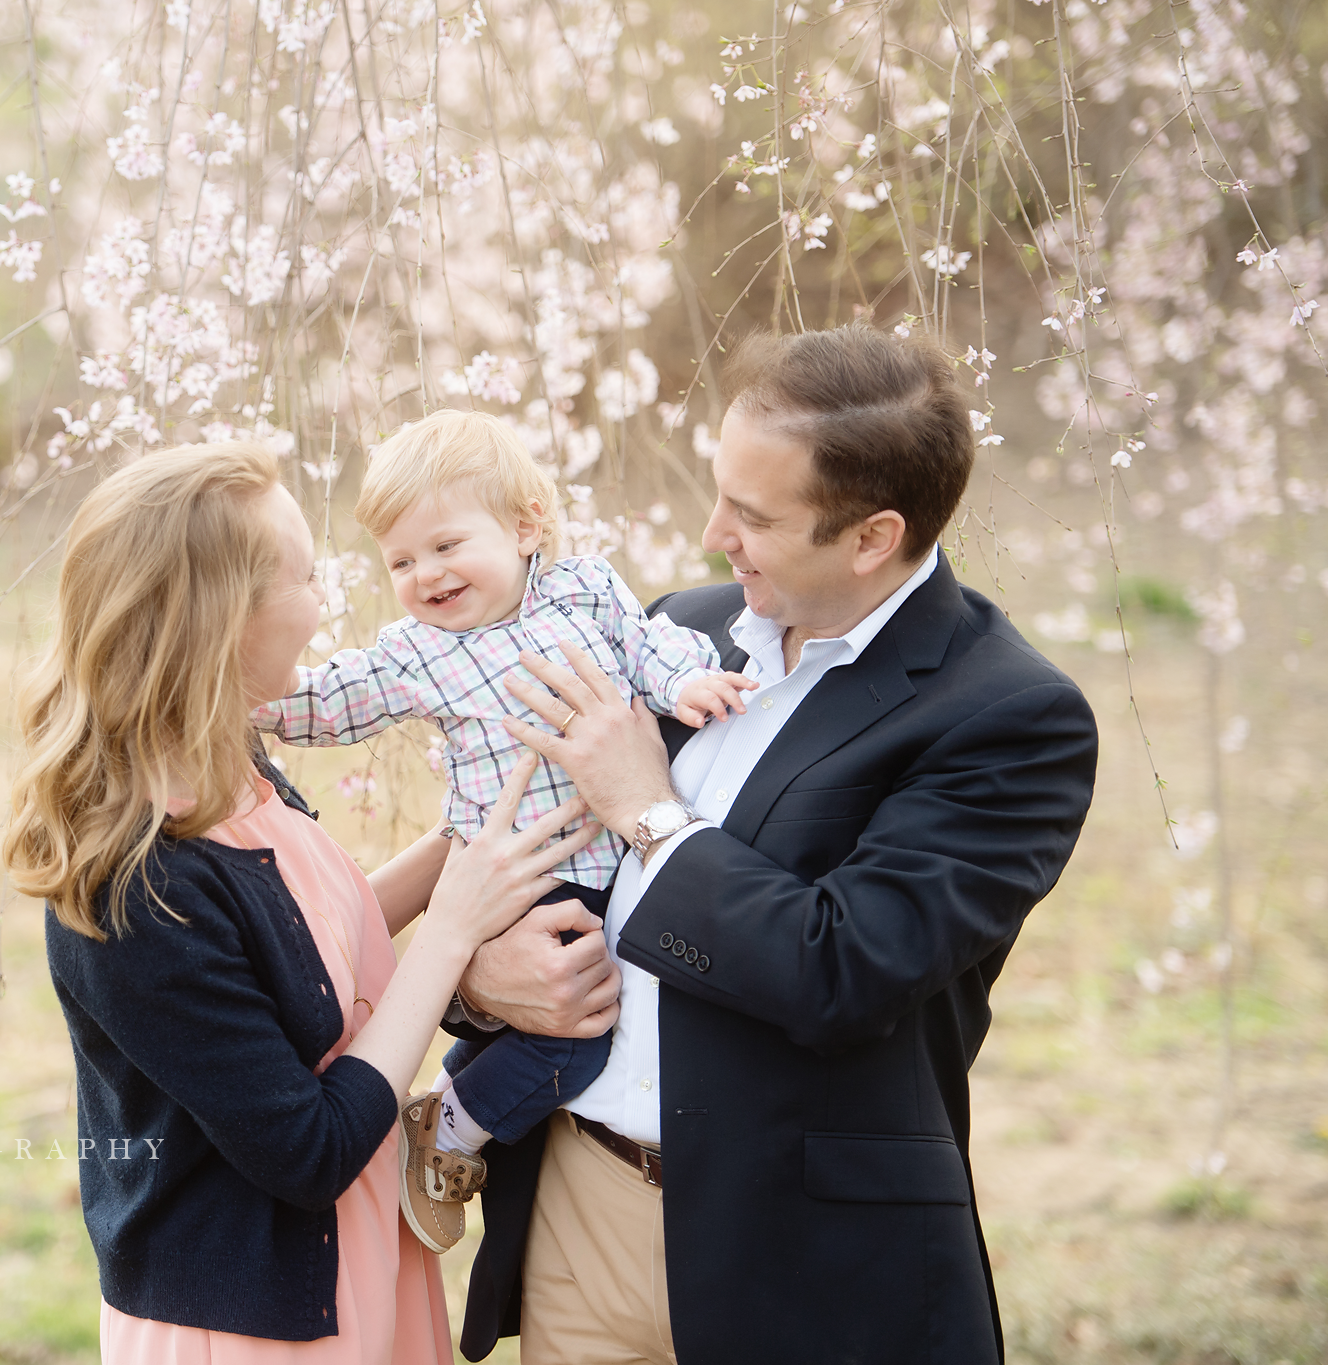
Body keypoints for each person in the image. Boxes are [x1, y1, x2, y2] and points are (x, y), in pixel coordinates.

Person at [448, 323, 1101, 1364]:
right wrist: (482, 977)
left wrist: (649, 812)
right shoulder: (677, 633)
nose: (714, 533)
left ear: (869, 537)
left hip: (802, 1259)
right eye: (719, 493)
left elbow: (838, 969)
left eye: (751, 515)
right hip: (580, 1208)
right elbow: (525, 859)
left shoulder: (1008, 716)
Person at [5, 439, 605, 1364]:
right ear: (222, 621)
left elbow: (294, 944)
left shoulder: (222, 768)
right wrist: (450, 936)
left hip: (355, 1263)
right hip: (255, 1317)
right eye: (308, 579)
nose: (328, 606)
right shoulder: (137, 885)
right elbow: (307, 1148)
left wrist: (480, 836)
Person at [253, 409, 754, 1254]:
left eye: (447, 545)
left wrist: (686, 684)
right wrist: (238, 697)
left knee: (564, 1022)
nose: (426, 575)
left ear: (526, 527)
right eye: (402, 560)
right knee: (578, 1039)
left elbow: (647, 646)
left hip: (605, 867)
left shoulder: (585, 590)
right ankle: (446, 1132)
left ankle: (450, 1101)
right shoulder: (417, 651)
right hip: (513, 872)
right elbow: (328, 700)